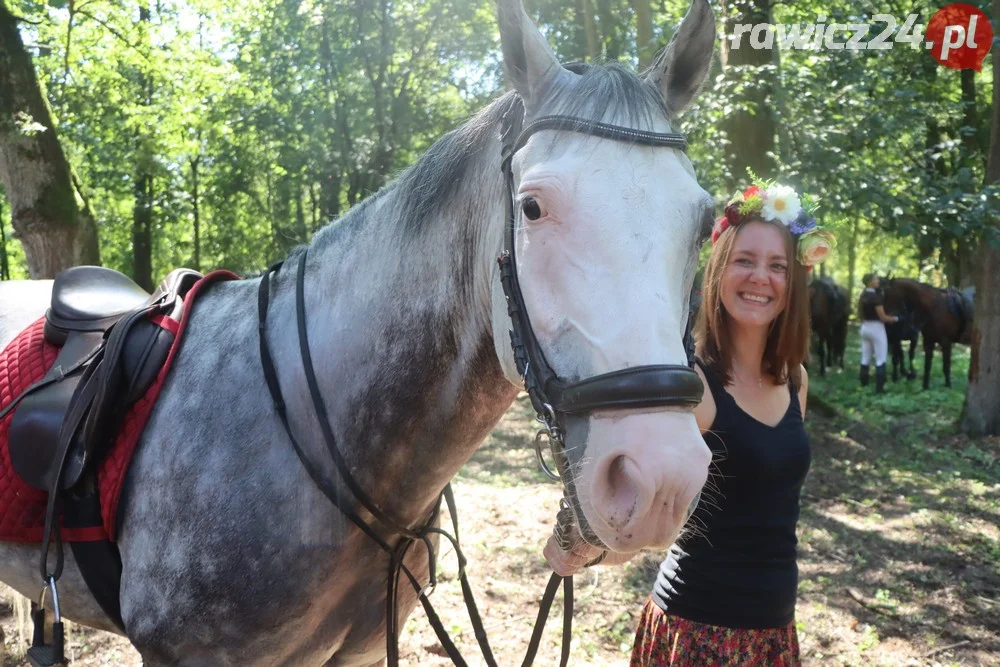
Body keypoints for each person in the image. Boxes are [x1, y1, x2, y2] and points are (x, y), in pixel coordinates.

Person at [544, 181, 836, 666]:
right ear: (720, 271)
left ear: (793, 283)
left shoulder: (795, 382)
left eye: (777, 265)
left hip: (774, 630)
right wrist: (583, 535)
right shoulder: (691, 387)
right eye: (744, 260)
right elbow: (631, 474)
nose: (760, 277)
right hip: (700, 630)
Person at [857, 273, 899, 394]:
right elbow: (883, 317)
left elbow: (860, 314)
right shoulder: (876, 297)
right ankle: (879, 389)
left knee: (865, 357)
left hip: (865, 328)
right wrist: (895, 319)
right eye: (876, 279)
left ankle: (863, 384)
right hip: (876, 328)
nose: (878, 281)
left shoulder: (863, 295)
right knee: (881, 358)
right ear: (870, 282)